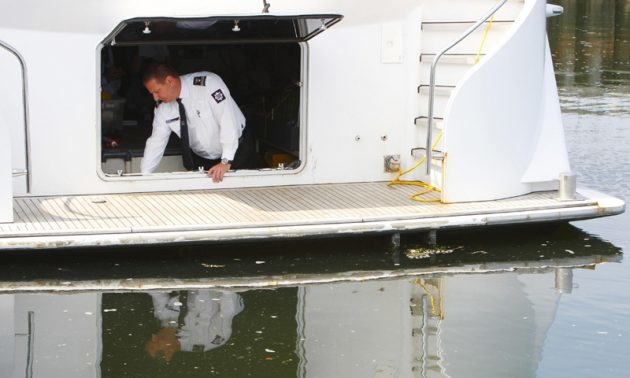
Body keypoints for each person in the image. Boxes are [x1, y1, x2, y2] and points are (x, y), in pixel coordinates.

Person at [140, 63, 258, 182]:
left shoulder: (208, 85)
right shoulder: (163, 108)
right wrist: (143, 176)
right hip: (202, 160)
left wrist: (226, 161)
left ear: (169, 81)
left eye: (157, 91)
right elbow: (156, 142)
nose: (155, 98)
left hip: (237, 153)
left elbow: (227, 121)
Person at [145, 290, 244, 362]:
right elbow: (227, 312)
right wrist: (226, 288)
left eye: (151, 338)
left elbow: (157, 293)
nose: (154, 336)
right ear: (168, 354)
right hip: (216, 283)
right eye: (157, 342)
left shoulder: (162, 317)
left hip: (187, 274)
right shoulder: (209, 340)